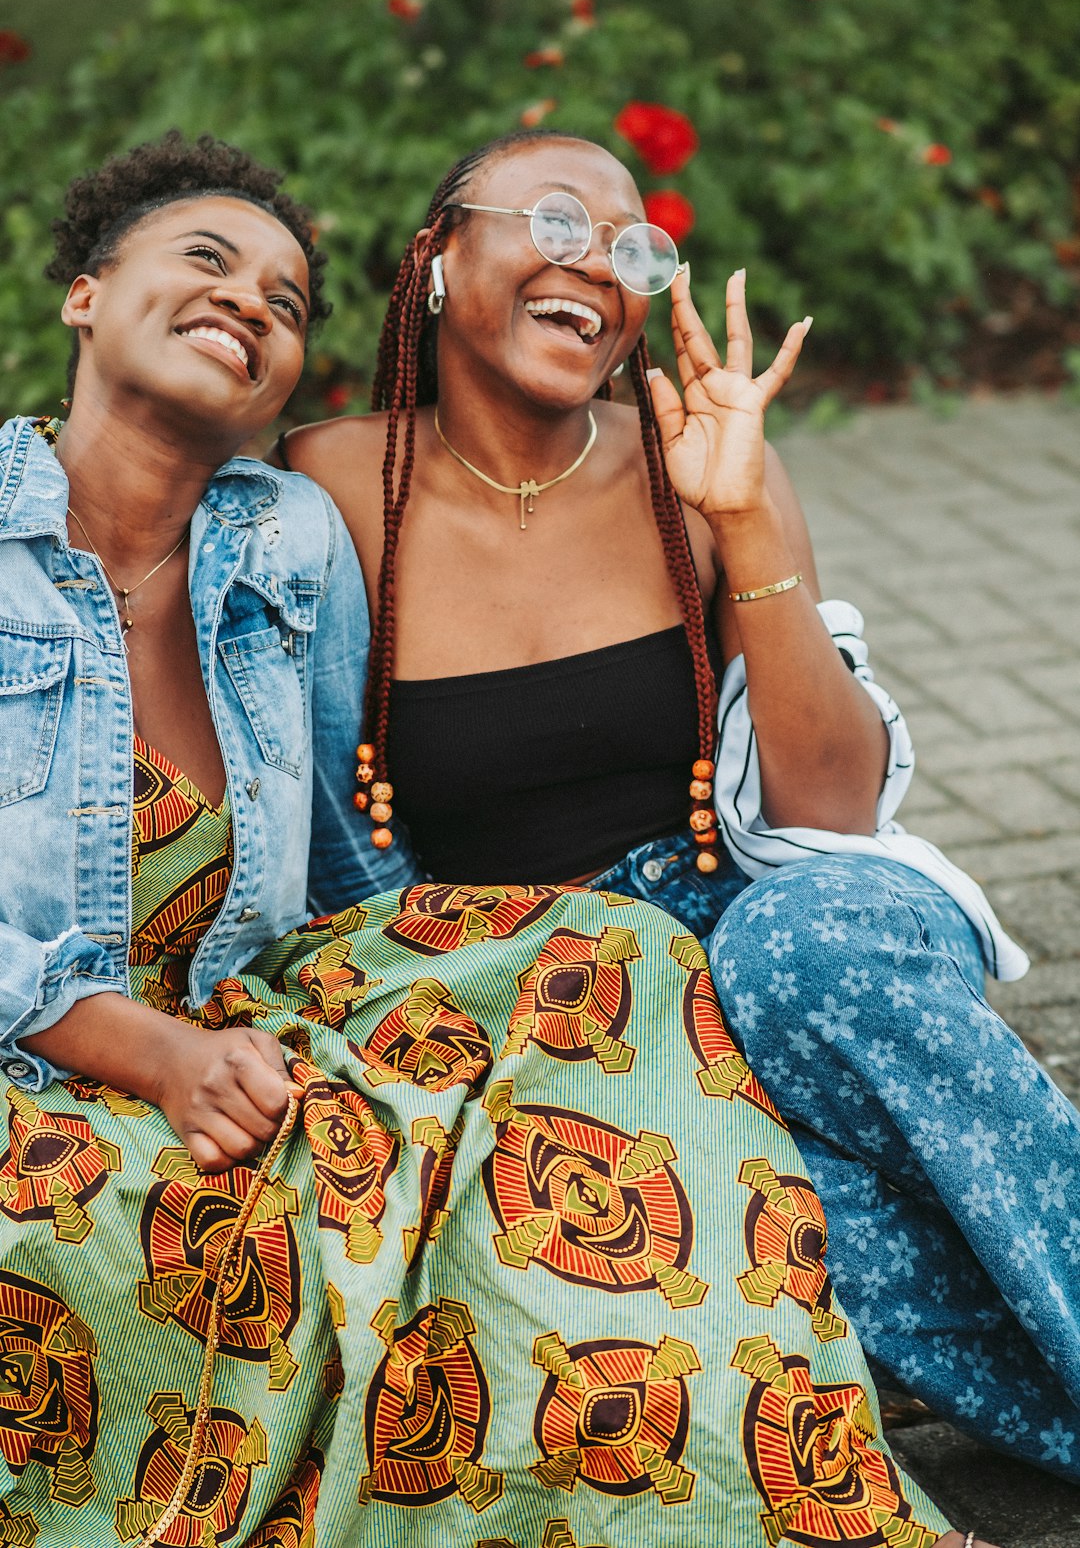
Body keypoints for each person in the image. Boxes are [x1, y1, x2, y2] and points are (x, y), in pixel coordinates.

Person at [0, 134, 964, 1546]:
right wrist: (145, 1051)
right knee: (153, 1239)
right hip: (54, 1077)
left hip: (234, 1038)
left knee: (603, 955)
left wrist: (449, 1029)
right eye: (207, 262)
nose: (251, 304)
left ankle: (799, 1493)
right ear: (87, 293)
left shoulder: (282, 541)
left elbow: (346, 858)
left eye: (283, 298)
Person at [277, 127, 1080, 1487]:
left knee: (809, 944)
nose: (598, 264)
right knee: (803, 1213)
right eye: (553, 221)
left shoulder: (691, 472)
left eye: (634, 246)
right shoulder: (329, 486)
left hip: (756, 920)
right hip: (541, 990)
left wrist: (750, 523)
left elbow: (833, 806)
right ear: (435, 258)